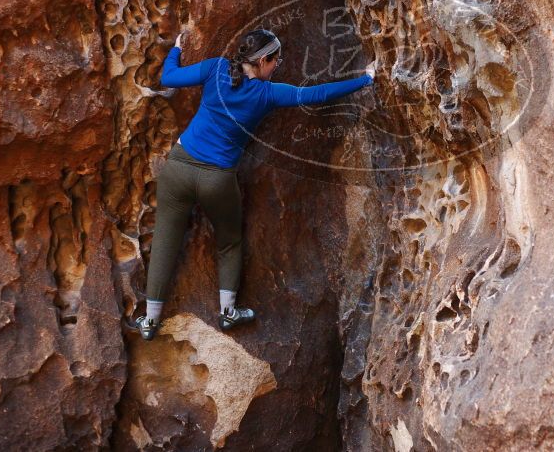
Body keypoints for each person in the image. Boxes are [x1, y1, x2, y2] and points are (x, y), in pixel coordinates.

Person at [134, 28, 376, 340]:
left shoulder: (215, 69)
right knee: (230, 240)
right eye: (276, 60)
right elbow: (314, 95)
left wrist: (176, 50)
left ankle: (150, 322)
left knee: (166, 240)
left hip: (178, 168)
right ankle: (228, 313)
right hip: (216, 179)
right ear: (262, 61)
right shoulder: (266, 94)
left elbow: (169, 78)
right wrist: (365, 78)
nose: (278, 65)